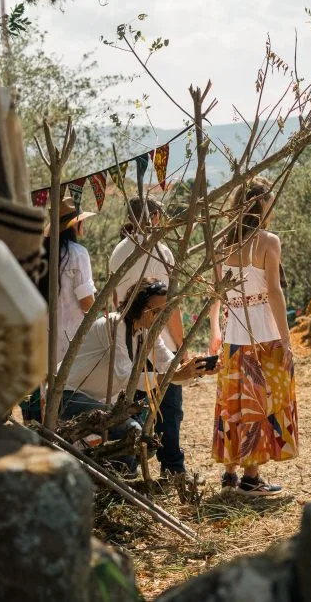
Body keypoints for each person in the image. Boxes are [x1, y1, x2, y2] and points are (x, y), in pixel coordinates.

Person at [56, 278, 216, 469]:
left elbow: (169, 366)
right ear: (137, 305)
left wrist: (196, 370)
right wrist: (176, 375)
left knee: (148, 443)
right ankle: (120, 477)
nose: (158, 318)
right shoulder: (114, 324)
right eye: (154, 311)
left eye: (162, 313)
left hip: (99, 401)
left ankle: (113, 475)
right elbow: (126, 377)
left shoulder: (145, 332)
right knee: (134, 434)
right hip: (69, 395)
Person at [208, 178, 297, 496]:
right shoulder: (268, 241)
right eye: (269, 202)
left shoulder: (222, 243)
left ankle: (230, 474)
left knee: (232, 402)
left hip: (233, 332)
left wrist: (215, 330)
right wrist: (286, 340)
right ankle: (251, 477)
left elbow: (215, 293)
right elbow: (274, 292)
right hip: (263, 334)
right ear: (260, 204)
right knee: (260, 402)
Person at [108, 196, 189, 481]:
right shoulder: (161, 251)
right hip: (158, 338)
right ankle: (172, 467)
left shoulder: (118, 251)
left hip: (128, 337)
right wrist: (181, 345)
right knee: (169, 408)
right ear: (154, 217)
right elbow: (170, 306)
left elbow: (115, 300)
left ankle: (127, 465)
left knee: (131, 405)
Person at [20, 197, 96, 422]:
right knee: (72, 398)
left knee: (46, 397)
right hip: (71, 339)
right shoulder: (77, 254)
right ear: (74, 225)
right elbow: (87, 302)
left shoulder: (37, 254)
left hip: (42, 339)